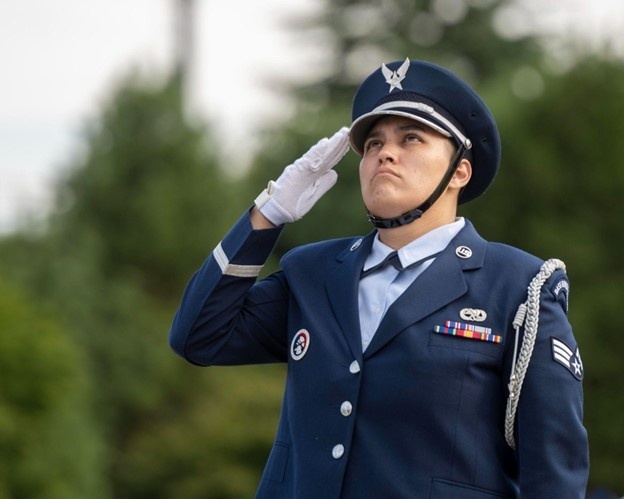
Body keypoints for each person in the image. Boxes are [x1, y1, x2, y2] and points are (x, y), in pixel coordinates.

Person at [169, 58, 589, 498]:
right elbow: (199, 336)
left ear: (459, 172)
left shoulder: (519, 288)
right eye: (372, 144)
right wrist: (267, 214)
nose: (384, 153)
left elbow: (554, 474)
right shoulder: (312, 273)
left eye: (411, 138)